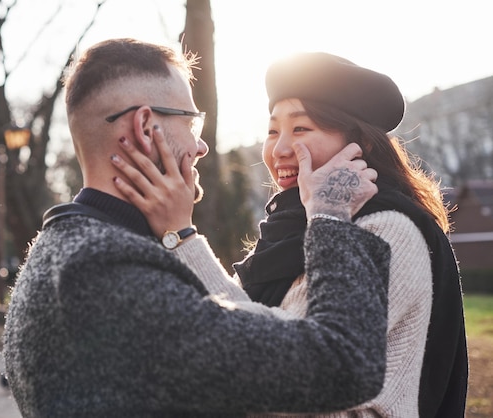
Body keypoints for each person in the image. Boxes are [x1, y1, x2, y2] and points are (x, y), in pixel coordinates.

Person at [2, 39, 391, 417]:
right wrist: (330, 217)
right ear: (145, 126)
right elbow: (343, 363)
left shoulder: (61, 249)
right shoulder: (106, 271)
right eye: (191, 121)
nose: (201, 146)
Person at [115, 52, 468, 418]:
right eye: (272, 131)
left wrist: (181, 237)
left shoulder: (385, 229)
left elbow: (287, 374)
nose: (280, 149)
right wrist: (177, 237)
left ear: (361, 145)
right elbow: (238, 325)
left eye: (301, 129)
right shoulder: (293, 231)